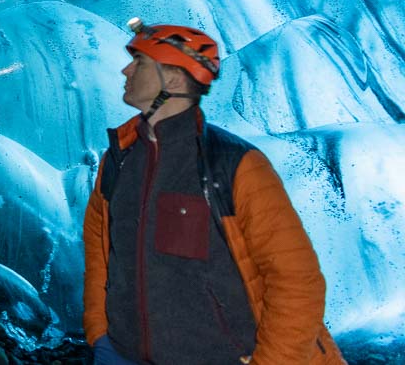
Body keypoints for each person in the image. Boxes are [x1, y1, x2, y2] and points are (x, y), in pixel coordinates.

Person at [82, 18, 345, 365]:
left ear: (173, 79)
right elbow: (99, 254)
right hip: (121, 354)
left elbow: (297, 281)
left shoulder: (236, 164)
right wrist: (100, 333)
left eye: (140, 62)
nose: (126, 70)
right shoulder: (118, 159)